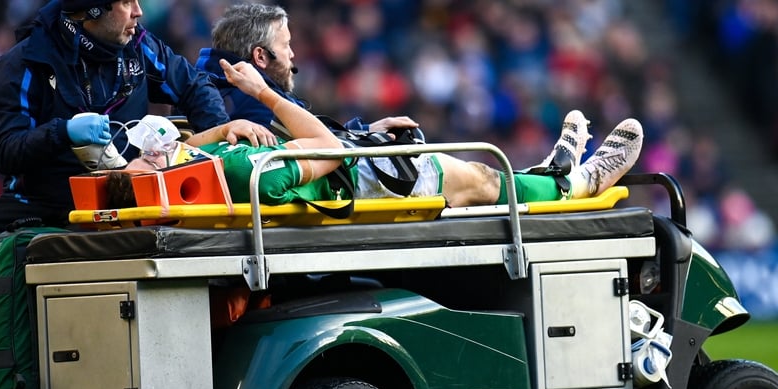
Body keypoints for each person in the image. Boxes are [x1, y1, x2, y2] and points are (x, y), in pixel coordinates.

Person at [108, 59, 643, 210]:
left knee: (480, 181)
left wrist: (224, 126)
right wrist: (265, 97)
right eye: (151, 161)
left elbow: (180, 150)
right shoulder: (243, 170)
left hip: (347, 168)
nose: (159, 151)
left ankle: (557, 169)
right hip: (364, 182)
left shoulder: (197, 165)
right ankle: (579, 183)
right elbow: (330, 147)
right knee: (482, 179)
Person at [0, 0, 268, 241]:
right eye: (127, 2)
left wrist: (219, 143)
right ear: (93, 10)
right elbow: (5, 151)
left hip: (132, 201)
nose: (138, 12)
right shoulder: (23, 63)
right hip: (47, 206)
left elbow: (194, 86)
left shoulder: (140, 46)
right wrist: (62, 132)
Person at [195, 2, 419, 136]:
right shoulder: (253, 100)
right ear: (260, 56)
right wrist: (365, 134)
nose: (292, 54)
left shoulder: (204, 87)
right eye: (286, 45)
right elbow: (324, 148)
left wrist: (366, 130)